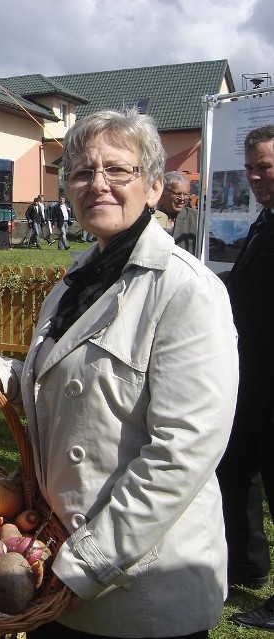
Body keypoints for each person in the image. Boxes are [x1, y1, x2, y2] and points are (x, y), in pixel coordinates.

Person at [0, 108, 239, 639]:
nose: (98, 183)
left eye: (117, 170)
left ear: (152, 187)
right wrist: (2, 373)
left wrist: (87, 565)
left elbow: (183, 451)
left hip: (137, 584)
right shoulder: (73, 284)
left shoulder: (185, 290)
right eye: (81, 172)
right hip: (55, 557)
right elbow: (74, 378)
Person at [217, 124, 274, 631]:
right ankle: (246, 566)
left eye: (266, 167)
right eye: (252, 167)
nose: (255, 176)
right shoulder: (264, 221)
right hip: (248, 379)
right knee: (234, 471)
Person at [157, 171, 198, 254]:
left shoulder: (196, 218)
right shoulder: (151, 216)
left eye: (186, 194)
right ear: (164, 192)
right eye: (178, 194)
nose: (182, 198)